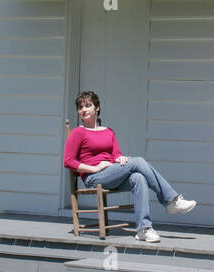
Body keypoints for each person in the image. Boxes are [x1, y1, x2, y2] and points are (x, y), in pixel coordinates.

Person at [63, 90, 197, 243]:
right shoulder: (78, 132)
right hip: (94, 176)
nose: (83, 110)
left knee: (138, 178)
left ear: (97, 108)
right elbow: (68, 161)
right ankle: (171, 200)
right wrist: (94, 168)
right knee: (138, 161)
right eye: (80, 107)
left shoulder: (108, 131)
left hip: (112, 172)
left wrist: (121, 158)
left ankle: (143, 229)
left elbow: (116, 155)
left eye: (87, 106)